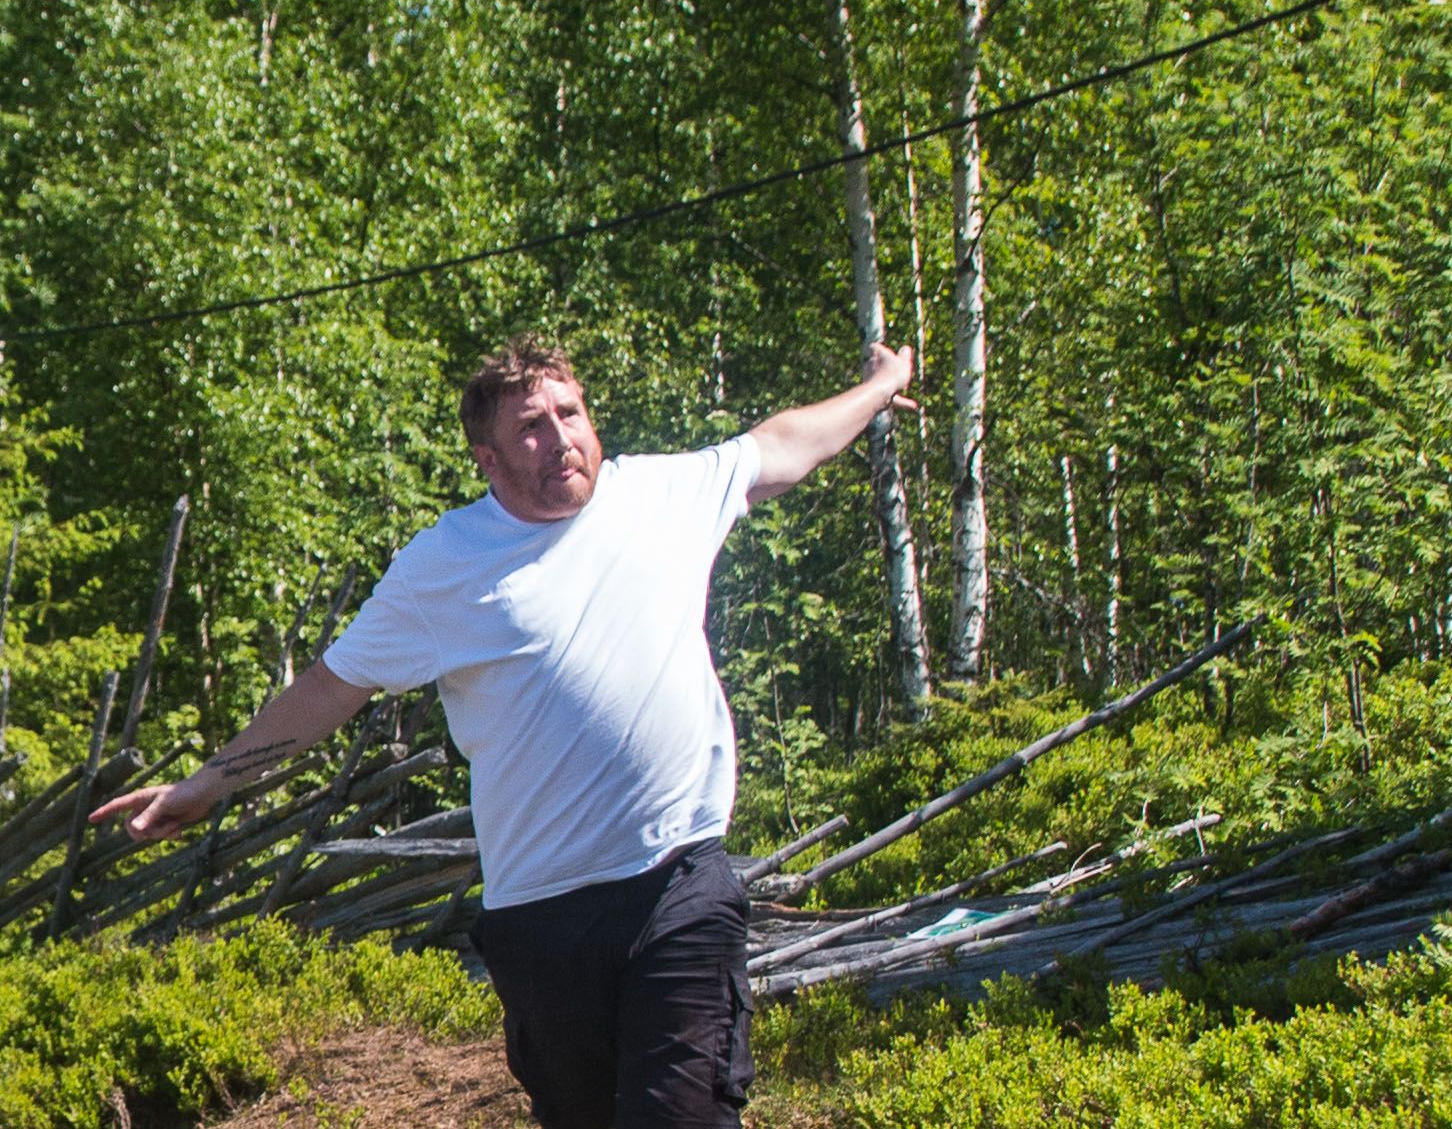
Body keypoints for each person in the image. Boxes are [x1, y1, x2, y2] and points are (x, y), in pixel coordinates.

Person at [91, 333, 918, 1128]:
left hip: (679, 883)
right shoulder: (443, 565)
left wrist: (881, 385)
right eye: (532, 425)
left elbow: (784, 444)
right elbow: (329, 688)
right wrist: (207, 783)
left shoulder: (658, 495)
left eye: (571, 412)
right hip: (542, 916)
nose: (561, 437)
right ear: (488, 458)